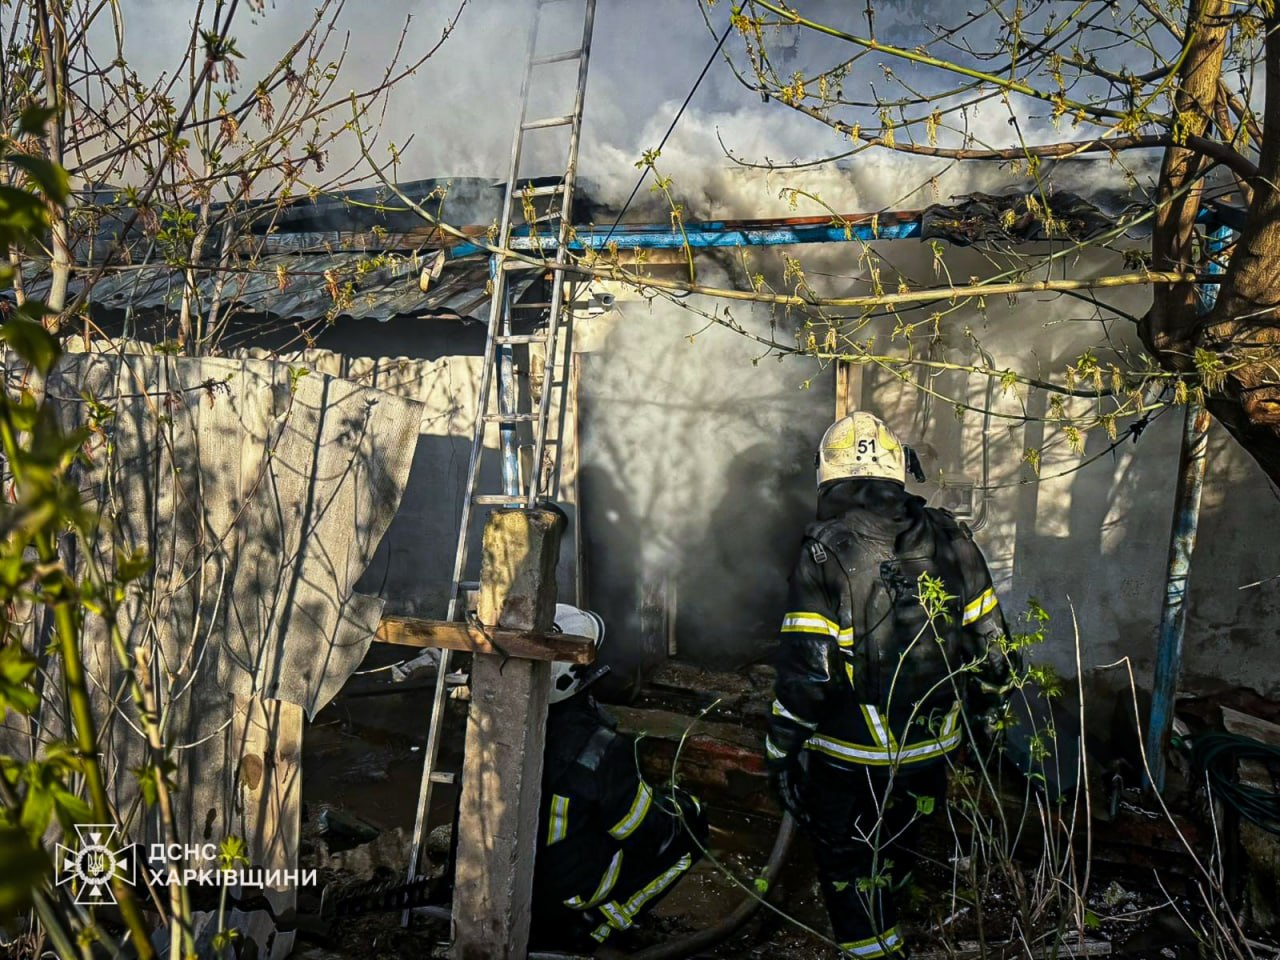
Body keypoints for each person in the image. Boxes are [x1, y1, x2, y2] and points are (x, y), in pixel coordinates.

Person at [765, 412, 1016, 958]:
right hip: (934, 747)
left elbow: (809, 673)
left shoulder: (824, 551)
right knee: (900, 840)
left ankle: (876, 948)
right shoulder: (954, 539)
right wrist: (987, 720)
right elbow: (996, 650)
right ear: (900, 475)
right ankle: (893, 919)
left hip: (851, 754)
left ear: (828, 478)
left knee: (849, 862)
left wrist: (778, 750)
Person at [531, 604, 709, 952]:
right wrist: (678, 804)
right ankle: (595, 926)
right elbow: (642, 829)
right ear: (571, 677)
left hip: (506, 876)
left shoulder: (495, 726)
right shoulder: (600, 749)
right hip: (564, 892)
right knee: (691, 829)